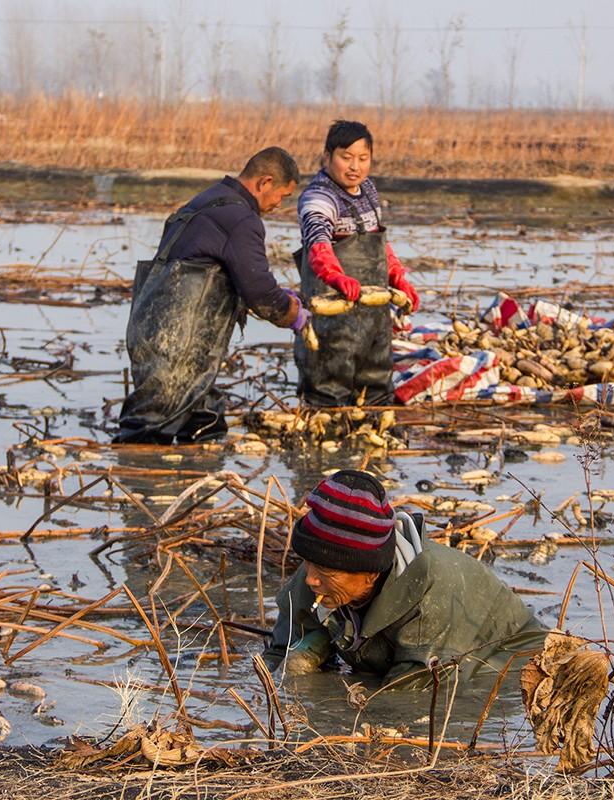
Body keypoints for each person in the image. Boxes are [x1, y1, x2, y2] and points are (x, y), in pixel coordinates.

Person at [266, 470, 547, 687]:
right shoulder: (321, 571)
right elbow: (278, 652)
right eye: (308, 564)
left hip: (512, 662)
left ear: (371, 574)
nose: (310, 580)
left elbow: (410, 699)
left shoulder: (433, 595)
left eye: (326, 573)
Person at [115, 147, 311, 444]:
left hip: (150, 330)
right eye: (282, 196)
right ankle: (139, 482)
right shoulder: (242, 219)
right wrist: (293, 314)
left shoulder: (208, 199)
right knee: (147, 430)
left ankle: (198, 478)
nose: (279, 204)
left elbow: (214, 266)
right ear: (265, 183)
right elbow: (260, 292)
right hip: (180, 341)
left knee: (205, 419)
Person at [294, 120, 421, 407]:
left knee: (376, 383)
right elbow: (317, 241)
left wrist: (398, 276)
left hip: (373, 319)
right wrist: (335, 275)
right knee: (329, 391)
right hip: (331, 320)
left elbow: (378, 240)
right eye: (346, 157)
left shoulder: (368, 191)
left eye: (363, 159)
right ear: (327, 157)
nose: (355, 167)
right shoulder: (318, 196)